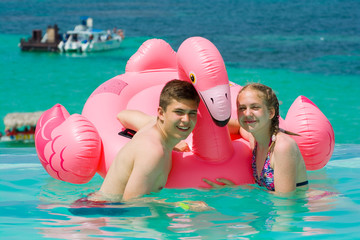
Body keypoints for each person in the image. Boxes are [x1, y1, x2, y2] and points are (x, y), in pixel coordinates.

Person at [89, 79, 200, 202]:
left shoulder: (151, 123)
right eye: (179, 112)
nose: (186, 120)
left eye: (192, 113)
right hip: (103, 212)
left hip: (96, 205)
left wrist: (174, 142)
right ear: (161, 113)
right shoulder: (153, 152)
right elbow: (132, 203)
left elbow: (123, 115)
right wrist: (183, 205)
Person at [203, 83, 308, 194]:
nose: (247, 113)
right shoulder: (254, 137)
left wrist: (239, 190)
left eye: (255, 107)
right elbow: (237, 127)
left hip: (303, 207)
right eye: (242, 108)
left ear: (271, 113)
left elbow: (285, 202)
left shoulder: (282, 146)